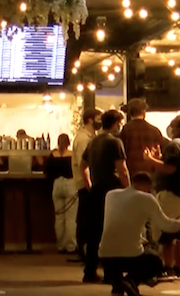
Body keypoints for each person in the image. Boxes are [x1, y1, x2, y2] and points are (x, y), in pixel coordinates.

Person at [99, 172, 180, 296]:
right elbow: (166, 226)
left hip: (105, 256)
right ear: (147, 186)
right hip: (129, 256)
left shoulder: (111, 195)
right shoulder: (147, 198)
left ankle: (117, 287)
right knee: (155, 261)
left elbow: (120, 224)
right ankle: (131, 280)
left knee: (120, 250)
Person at [145, 114, 180, 279]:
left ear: (179, 128)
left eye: (172, 125)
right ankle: (178, 267)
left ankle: (167, 268)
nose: (170, 128)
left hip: (172, 193)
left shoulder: (174, 145)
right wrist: (159, 158)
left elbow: (170, 169)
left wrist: (150, 159)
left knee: (167, 231)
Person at [81, 109, 130, 283]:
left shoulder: (93, 141)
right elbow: (122, 169)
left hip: (96, 191)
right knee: (111, 232)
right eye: (120, 123)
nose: (121, 126)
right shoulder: (114, 142)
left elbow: (83, 165)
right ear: (116, 123)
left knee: (94, 233)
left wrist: (89, 184)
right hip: (112, 191)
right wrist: (129, 190)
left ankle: (90, 270)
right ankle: (111, 273)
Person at [70, 108, 101, 262]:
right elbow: (84, 163)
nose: (100, 121)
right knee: (86, 219)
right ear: (90, 119)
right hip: (85, 183)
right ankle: (83, 251)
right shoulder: (84, 139)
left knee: (86, 217)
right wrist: (89, 184)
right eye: (98, 118)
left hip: (86, 183)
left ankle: (85, 250)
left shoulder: (90, 137)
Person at [45, 133, 78, 254]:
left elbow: (47, 172)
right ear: (68, 142)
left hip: (56, 185)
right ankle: (71, 246)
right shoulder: (72, 155)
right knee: (70, 218)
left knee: (59, 217)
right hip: (70, 184)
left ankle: (60, 245)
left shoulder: (52, 156)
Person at [117, 98, 166, 177]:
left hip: (132, 172)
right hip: (150, 172)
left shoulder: (125, 130)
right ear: (143, 112)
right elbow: (162, 151)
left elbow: (121, 153)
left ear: (129, 113)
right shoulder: (154, 130)